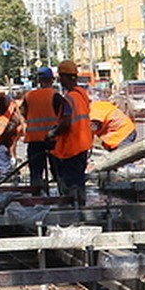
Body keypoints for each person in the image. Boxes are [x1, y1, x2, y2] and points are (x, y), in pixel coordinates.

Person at [49, 59, 93, 204]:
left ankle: (72, 211)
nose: (60, 80)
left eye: (61, 76)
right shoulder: (81, 95)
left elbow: (66, 123)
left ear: (66, 77)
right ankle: (80, 208)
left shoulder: (69, 98)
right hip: (83, 144)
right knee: (79, 180)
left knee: (70, 183)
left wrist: (53, 133)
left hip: (71, 147)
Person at [18, 66, 61, 193]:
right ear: (52, 80)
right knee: (58, 170)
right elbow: (63, 116)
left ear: (38, 80)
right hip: (53, 139)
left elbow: (23, 112)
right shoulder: (55, 96)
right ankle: (63, 196)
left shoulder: (29, 96)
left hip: (34, 139)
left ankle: (36, 198)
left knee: (36, 172)